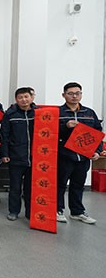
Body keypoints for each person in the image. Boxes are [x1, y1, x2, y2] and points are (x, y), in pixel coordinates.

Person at [57, 82, 102, 224]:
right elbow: (50, 133)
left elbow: (97, 133)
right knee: (60, 184)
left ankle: (77, 212)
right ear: (64, 95)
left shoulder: (89, 113)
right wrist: (65, 126)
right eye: (70, 93)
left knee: (78, 185)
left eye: (77, 93)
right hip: (64, 155)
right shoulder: (58, 113)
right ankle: (58, 210)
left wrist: (97, 151)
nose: (74, 96)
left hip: (83, 157)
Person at [0, 87, 36, 221]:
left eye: (26, 97)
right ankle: (13, 211)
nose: (24, 100)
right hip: (16, 156)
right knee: (15, 187)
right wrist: (4, 153)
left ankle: (30, 212)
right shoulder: (10, 115)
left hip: (35, 157)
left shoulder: (39, 114)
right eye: (20, 97)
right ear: (16, 99)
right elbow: (4, 135)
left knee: (30, 187)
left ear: (32, 97)